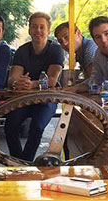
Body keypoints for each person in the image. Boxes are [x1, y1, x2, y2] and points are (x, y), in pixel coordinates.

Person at [5, 12, 65, 161]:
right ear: (29, 30)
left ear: (47, 31)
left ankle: (25, 161)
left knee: (37, 128)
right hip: (25, 99)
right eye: (34, 27)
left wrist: (31, 83)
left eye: (42, 27)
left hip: (47, 100)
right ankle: (17, 160)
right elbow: (12, 77)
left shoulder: (56, 50)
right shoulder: (22, 50)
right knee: (9, 126)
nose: (38, 30)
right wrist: (17, 82)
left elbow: (52, 80)